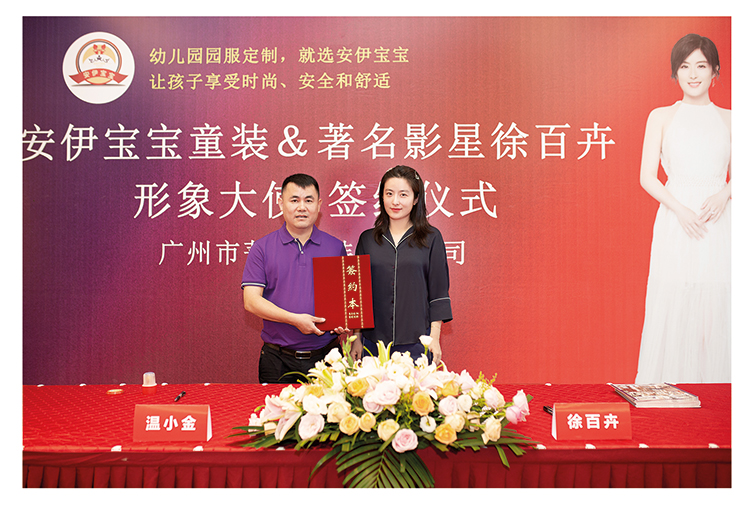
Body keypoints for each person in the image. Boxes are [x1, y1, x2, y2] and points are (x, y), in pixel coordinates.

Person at [635, 34, 731, 383]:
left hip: (719, 223)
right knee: (674, 296)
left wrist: (725, 193)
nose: (693, 74)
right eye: (685, 66)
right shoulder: (661, 117)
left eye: (701, 66)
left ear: (715, 71)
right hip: (677, 222)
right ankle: (668, 389)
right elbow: (647, 177)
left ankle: (721, 394)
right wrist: (680, 209)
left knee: (719, 300)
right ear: (675, 72)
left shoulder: (732, 119)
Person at [241, 173, 347, 383]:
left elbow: (342, 300)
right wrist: (295, 320)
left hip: (327, 359)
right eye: (294, 200)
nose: (302, 207)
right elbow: (251, 301)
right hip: (277, 360)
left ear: (319, 205)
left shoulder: (335, 247)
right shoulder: (262, 248)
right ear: (281, 204)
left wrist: (343, 321)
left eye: (308, 200)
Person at [351, 165, 452, 364]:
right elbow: (359, 294)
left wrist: (434, 337)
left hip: (417, 343)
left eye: (403, 194)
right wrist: (357, 338)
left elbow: (438, 291)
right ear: (382, 197)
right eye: (389, 194)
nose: (395, 201)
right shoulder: (367, 239)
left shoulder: (431, 238)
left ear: (415, 199)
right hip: (373, 342)